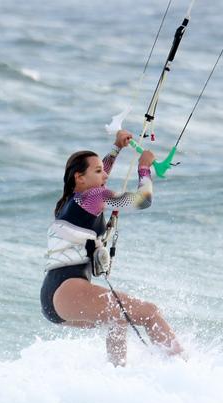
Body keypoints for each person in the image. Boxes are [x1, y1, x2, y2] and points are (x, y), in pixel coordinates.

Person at [40, 129, 182, 366]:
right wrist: (144, 168)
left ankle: (117, 374)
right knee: (149, 312)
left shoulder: (69, 201)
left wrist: (116, 148)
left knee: (119, 319)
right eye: (98, 171)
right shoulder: (94, 195)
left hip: (54, 296)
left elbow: (100, 172)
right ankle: (184, 367)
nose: (104, 174)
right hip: (68, 290)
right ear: (79, 178)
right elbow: (143, 200)